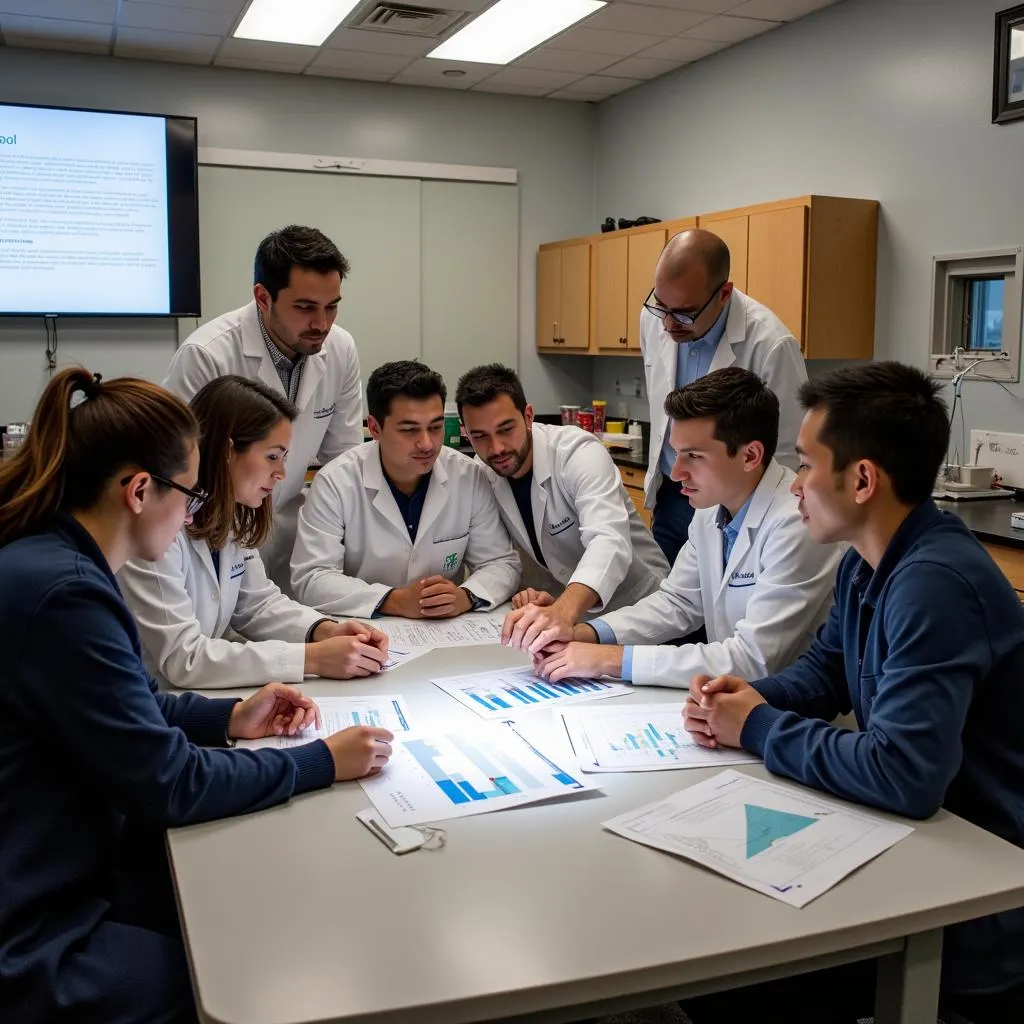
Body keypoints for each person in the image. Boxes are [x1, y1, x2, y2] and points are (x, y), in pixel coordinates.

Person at [0, 368, 392, 1024]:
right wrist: (320, 761)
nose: (192, 512)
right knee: (237, 978)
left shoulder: (54, 563)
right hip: (30, 928)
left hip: (55, 863)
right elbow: (170, 781)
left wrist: (230, 716)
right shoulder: (69, 596)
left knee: (228, 911)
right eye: (187, 492)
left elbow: (125, 707)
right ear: (138, 490)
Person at [682, 362, 1024, 1024]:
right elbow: (822, 676)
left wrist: (755, 727)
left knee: (729, 979)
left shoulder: (934, 583)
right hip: (915, 844)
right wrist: (743, 697)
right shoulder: (869, 564)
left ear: (863, 479)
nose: (797, 487)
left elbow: (904, 774)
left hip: (980, 898)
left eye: (807, 466)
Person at [531, 368, 841, 685]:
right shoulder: (712, 507)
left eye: (693, 456)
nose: (677, 472)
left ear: (750, 455)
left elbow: (753, 659)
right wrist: (586, 633)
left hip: (794, 715)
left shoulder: (796, 523)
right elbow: (678, 603)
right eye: (676, 454)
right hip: (732, 701)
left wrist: (611, 659)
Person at [118, 376, 389, 689]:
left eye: (284, 458)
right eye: (272, 456)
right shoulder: (159, 528)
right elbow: (184, 658)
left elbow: (256, 604)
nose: (281, 473)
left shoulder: (228, 514)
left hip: (202, 696)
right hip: (156, 702)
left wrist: (324, 630)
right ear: (228, 451)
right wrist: (311, 658)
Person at [163, 225, 363, 589]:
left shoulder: (340, 348)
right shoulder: (207, 355)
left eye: (331, 307)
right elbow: (181, 474)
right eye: (305, 308)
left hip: (295, 541)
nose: (322, 324)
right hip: (215, 540)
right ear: (262, 297)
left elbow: (344, 465)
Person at [455, 363, 669, 650]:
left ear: (528, 415)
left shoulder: (578, 453)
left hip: (639, 608)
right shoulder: (483, 473)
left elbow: (608, 542)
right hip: (574, 624)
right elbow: (511, 555)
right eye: (479, 435)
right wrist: (530, 594)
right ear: (465, 432)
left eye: (506, 429)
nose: (496, 448)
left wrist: (564, 610)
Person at [291, 360, 520, 619]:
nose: (427, 443)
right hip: (362, 630)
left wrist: (465, 596)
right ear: (375, 428)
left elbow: (501, 563)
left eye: (435, 427)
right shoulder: (336, 482)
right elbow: (311, 578)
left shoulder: (468, 476)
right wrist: (394, 601)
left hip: (445, 630)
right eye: (410, 430)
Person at [641, 228, 807, 564]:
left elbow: (790, 450)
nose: (670, 324)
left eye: (685, 313)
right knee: (670, 595)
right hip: (674, 494)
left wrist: (754, 518)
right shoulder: (653, 319)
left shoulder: (771, 344)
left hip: (738, 505)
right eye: (662, 307)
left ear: (724, 293)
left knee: (725, 603)